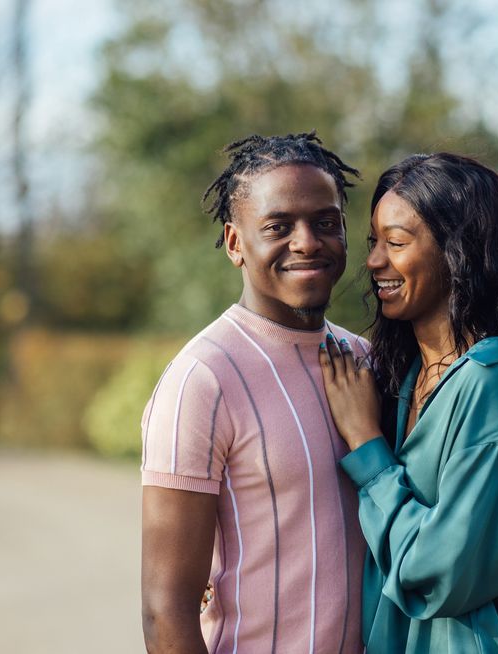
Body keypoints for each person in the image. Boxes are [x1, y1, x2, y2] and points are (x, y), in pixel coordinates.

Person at [318, 153, 498, 653]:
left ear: (459, 253)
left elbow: (443, 570)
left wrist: (367, 445)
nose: (373, 261)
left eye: (396, 242)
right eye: (373, 242)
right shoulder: (403, 375)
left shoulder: (491, 380)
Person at [140, 132, 368, 654]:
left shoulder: (367, 361)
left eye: (326, 221)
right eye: (278, 226)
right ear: (235, 243)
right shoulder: (202, 379)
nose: (308, 241)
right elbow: (164, 612)